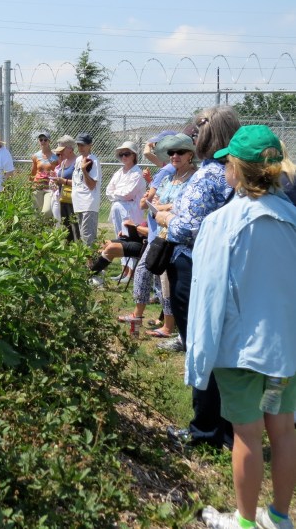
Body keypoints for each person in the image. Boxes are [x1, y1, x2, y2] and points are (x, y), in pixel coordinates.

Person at [185, 126, 296, 529]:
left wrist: (199, 354)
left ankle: (245, 522)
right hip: (283, 350)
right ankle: (280, 518)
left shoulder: (221, 223)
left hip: (239, 352)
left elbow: (208, 292)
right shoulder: (292, 218)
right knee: (283, 430)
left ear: (235, 168)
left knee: (247, 435)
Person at [154, 105, 241, 450]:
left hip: (194, 264)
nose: (191, 134)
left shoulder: (209, 174)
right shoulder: (232, 171)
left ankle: (205, 431)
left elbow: (189, 225)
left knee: (201, 347)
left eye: (196, 130)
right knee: (222, 347)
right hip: (221, 265)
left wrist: (165, 220)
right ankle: (227, 428)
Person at [116, 134, 196, 339]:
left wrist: (162, 207)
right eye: (171, 152)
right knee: (145, 270)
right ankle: (139, 314)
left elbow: (181, 206)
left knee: (166, 280)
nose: (174, 156)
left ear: (190, 155)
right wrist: (162, 207)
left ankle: (169, 326)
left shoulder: (194, 177)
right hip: (160, 234)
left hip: (179, 237)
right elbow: (153, 202)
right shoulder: (170, 177)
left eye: (180, 152)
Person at [105, 141, 146, 283]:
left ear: (134, 155)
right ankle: (124, 271)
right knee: (120, 237)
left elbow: (128, 194)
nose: (124, 157)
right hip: (118, 208)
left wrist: (117, 193)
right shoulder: (119, 172)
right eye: (121, 154)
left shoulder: (137, 173)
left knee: (131, 239)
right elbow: (108, 190)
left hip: (131, 209)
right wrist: (118, 194)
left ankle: (131, 273)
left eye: (127, 154)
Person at [71, 133, 101, 251]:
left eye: (83, 145)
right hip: (79, 202)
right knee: (83, 236)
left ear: (90, 145)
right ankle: (88, 264)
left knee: (88, 237)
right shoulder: (78, 159)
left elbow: (92, 185)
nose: (80, 147)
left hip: (88, 203)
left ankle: (92, 266)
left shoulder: (93, 161)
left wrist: (84, 170)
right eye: (78, 145)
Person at [49, 135, 79, 241]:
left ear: (70, 149)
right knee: (66, 227)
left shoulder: (77, 162)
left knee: (75, 227)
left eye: (62, 150)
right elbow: (60, 181)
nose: (60, 153)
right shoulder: (63, 162)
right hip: (63, 198)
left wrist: (63, 181)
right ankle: (68, 251)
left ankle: (77, 251)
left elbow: (79, 182)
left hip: (74, 200)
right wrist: (56, 181)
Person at [30, 131, 59, 216]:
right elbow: (33, 171)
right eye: (41, 139)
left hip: (49, 187)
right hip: (37, 186)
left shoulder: (55, 157)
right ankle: (38, 229)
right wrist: (29, 184)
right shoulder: (35, 156)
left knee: (47, 211)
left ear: (49, 141)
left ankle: (48, 226)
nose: (43, 142)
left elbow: (58, 171)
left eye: (45, 140)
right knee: (36, 212)